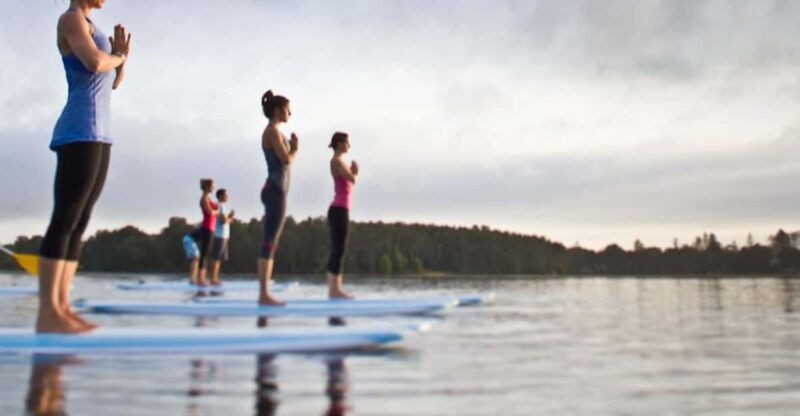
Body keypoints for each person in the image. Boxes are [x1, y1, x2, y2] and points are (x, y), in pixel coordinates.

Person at [37, 0, 131, 333]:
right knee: (65, 217)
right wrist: (116, 57)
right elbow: (93, 63)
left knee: (80, 222)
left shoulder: (93, 26)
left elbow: (110, 82)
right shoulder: (71, 19)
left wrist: (122, 62)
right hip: (79, 129)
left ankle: (61, 308)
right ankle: (47, 313)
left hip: (101, 131)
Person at [258, 90, 298, 305]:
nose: (290, 113)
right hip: (274, 190)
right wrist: (295, 150)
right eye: (287, 109)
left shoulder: (276, 132)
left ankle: (264, 293)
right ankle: (264, 295)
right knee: (269, 242)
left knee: (271, 241)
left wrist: (290, 148)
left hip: (276, 189)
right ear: (277, 110)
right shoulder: (272, 131)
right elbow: (285, 159)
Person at [326, 133, 358, 299]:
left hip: (341, 209)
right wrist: (354, 172)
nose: (349, 146)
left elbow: (350, 179)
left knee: (340, 249)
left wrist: (352, 173)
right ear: (339, 144)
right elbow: (352, 179)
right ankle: (334, 290)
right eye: (347, 143)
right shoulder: (336, 161)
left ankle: (336, 289)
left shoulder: (340, 162)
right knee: (338, 249)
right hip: (338, 209)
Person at [190, 178, 218, 286]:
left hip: (211, 228)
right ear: (207, 187)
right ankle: (200, 279)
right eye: (212, 186)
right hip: (206, 228)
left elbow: (216, 210)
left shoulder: (208, 198)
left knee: (207, 253)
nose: (213, 187)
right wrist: (216, 212)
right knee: (204, 254)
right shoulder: (203, 199)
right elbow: (210, 212)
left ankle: (202, 278)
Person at [210, 188, 234, 286]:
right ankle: (213, 279)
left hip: (223, 235)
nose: (227, 196)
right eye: (225, 195)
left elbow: (225, 219)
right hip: (219, 235)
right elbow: (224, 221)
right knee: (216, 257)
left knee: (219, 258)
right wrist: (231, 217)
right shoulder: (220, 206)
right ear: (220, 196)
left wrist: (229, 217)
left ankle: (215, 278)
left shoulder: (222, 206)